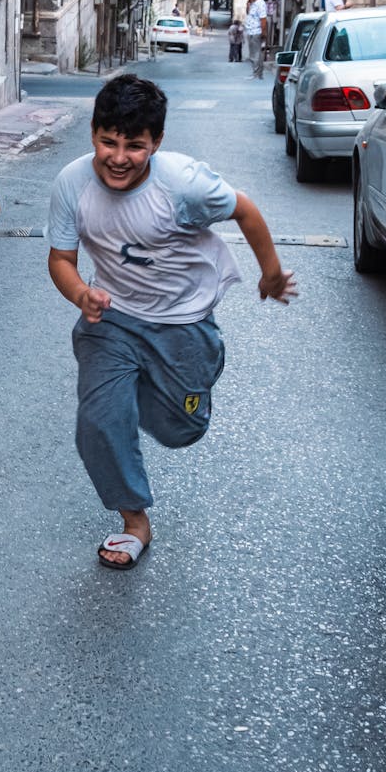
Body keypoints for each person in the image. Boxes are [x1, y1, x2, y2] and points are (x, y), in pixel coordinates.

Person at [47, 74, 296, 570]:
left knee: (180, 429)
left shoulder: (183, 184)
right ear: (93, 133)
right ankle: (134, 521)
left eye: (134, 146)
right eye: (107, 141)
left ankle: (178, 380)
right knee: (97, 422)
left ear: (156, 144)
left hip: (183, 323)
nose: (118, 157)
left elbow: (245, 210)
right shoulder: (72, 183)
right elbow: (60, 259)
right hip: (112, 320)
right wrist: (81, 293)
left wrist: (270, 275)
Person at [244, 0, 267, 79]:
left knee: (256, 54)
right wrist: (248, 4)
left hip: (256, 31)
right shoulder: (253, 3)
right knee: (253, 53)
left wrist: (263, 32)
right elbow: (248, 13)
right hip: (251, 31)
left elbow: (263, 19)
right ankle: (258, 73)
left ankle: (256, 73)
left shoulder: (261, 4)